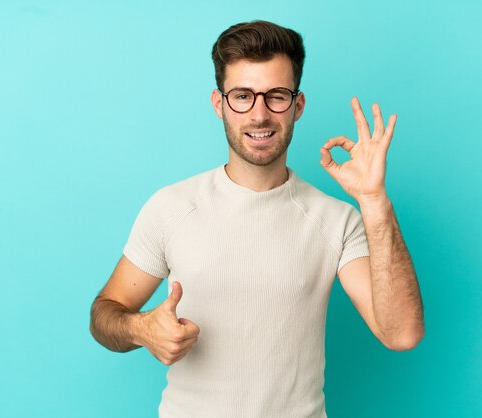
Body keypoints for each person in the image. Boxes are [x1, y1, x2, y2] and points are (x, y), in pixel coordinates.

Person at [89, 19, 424, 418]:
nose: (259, 114)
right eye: (243, 96)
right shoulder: (171, 207)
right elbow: (106, 313)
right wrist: (141, 329)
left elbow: (401, 333)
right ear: (219, 104)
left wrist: (375, 202)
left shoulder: (337, 220)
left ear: (297, 106)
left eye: (276, 96)